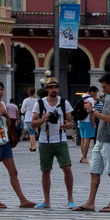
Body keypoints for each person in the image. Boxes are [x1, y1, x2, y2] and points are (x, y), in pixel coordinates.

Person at [75, 73, 110, 213]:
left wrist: (93, 112)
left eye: (104, 87)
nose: (102, 90)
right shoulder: (109, 98)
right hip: (100, 140)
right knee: (94, 171)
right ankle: (90, 202)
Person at [0, 81, 36, 209]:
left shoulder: (2, 104)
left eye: (1, 89)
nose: (0, 92)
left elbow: (7, 123)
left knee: (13, 171)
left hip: (4, 140)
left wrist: (6, 116)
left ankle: (22, 200)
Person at [27, 80, 77, 209]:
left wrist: (67, 125)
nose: (53, 89)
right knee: (45, 171)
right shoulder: (39, 104)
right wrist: (43, 119)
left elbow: (71, 122)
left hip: (61, 141)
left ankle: (70, 198)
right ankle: (46, 200)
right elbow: (33, 124)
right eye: (51, 87)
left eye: (55, 87)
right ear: (47, 89)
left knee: (67, 168)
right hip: (45, 141)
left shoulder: (63, 103)